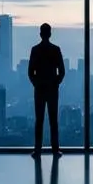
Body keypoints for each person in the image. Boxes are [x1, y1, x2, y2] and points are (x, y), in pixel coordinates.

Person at [27, 23, 65, 158]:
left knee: (39, 120)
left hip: (40, 89)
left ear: (40, 34)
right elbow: (62, 71)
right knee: (53, 120)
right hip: (52, 89)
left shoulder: (35, 50)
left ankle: (37, 150)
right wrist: (56, 83)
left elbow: (30, 72)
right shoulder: (56, 50)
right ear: (50, 34)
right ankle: (55, 150)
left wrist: (36, 84)